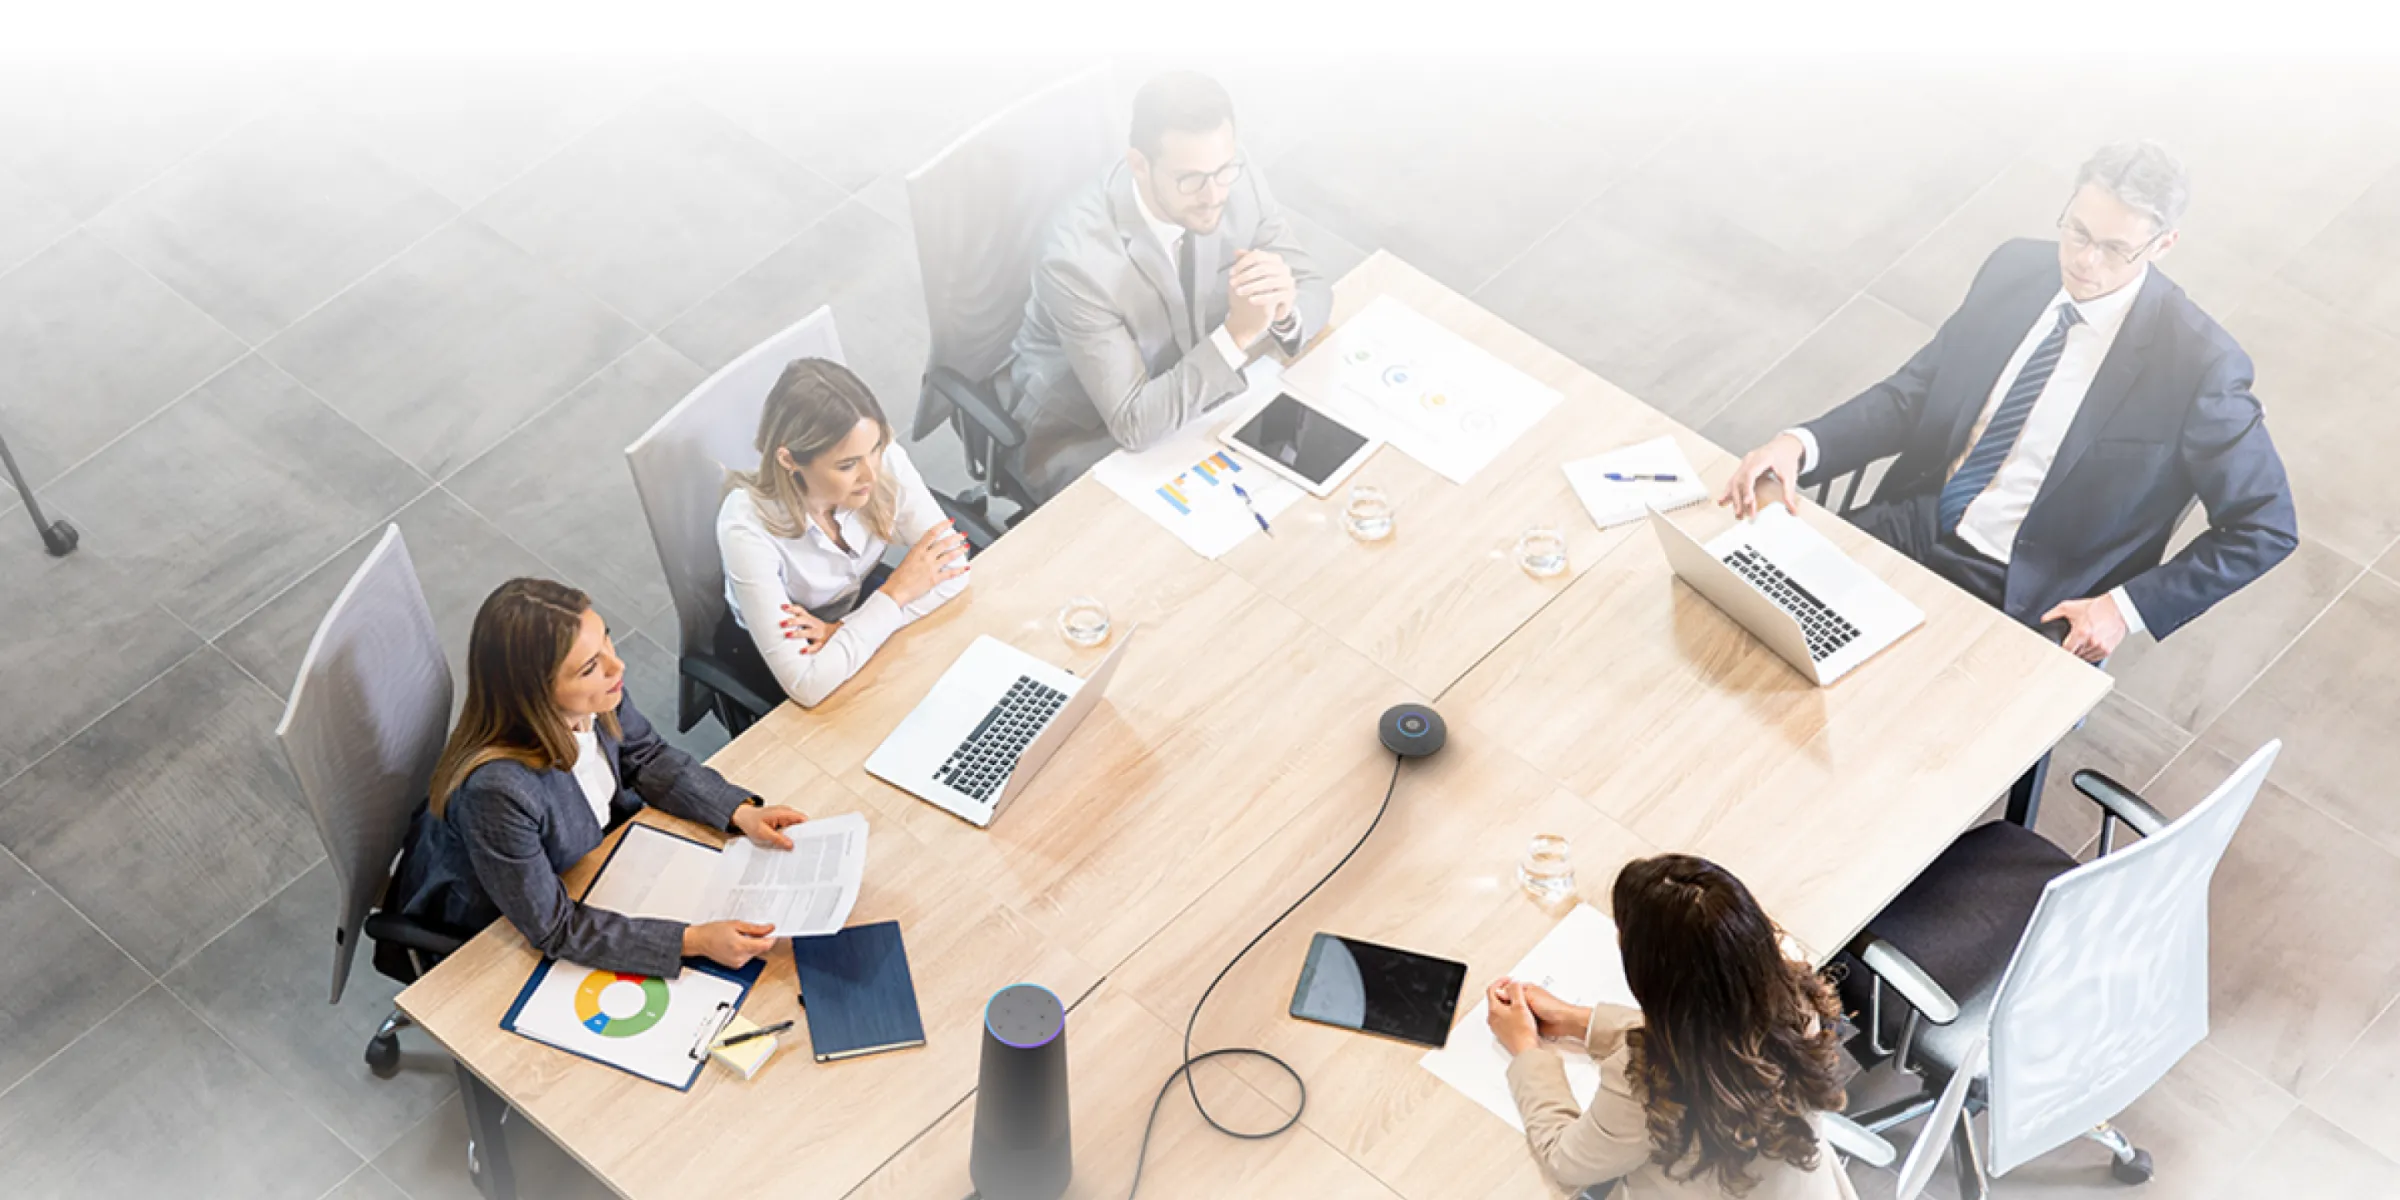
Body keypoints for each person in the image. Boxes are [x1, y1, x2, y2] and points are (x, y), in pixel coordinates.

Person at [1718, 140, 2296, 665]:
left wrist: (2122, 607)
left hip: (2030, 593)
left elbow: (2264, 524)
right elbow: (1917, 393)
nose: (2085, 261)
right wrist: (1800, 444)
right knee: (1749, 615)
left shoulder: (2199, 363)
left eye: (2116, 248)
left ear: (2164, 244)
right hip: (1917, 521)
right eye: (2078, 232)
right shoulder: (2016, 268)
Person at [386, 578, 808, 978]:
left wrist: (738, 812)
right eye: (589, 666)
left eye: (605, 636)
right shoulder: (500, 792)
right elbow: (553, 927)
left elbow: (646, 756)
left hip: (588, 864)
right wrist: (693, 940)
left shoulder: (596, 697)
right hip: (496, 927)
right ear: (536, 691)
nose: (615, 664)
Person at [1005, 70, 1334, 503]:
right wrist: (1237, 335)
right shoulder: (1076, 261)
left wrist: (1283, 311)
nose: (1214, 195)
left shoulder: (1233, 176)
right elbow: (1133, 421)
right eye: (1191, 179)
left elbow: (1312, 286)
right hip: (1093, 434)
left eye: (1222, 171)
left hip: (1200, 397)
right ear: (1139, 165)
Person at [1488, 854, 1857, 1200]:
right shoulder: (1795, 1001)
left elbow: (1568, 1163)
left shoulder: (1651, 1085)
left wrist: (1526, 1050)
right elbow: (1708, 1029)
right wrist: (1580, 1021)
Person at [716, 357, 971, 709]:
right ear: (790, 461)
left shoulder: (882, 462)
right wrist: (896, 593)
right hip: (779, 648)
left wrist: (843, 628)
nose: (870, 474)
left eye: (876, 448)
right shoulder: (746, 527)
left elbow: (954, 572)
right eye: (847, 465)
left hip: (851, 615)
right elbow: (807, 683)